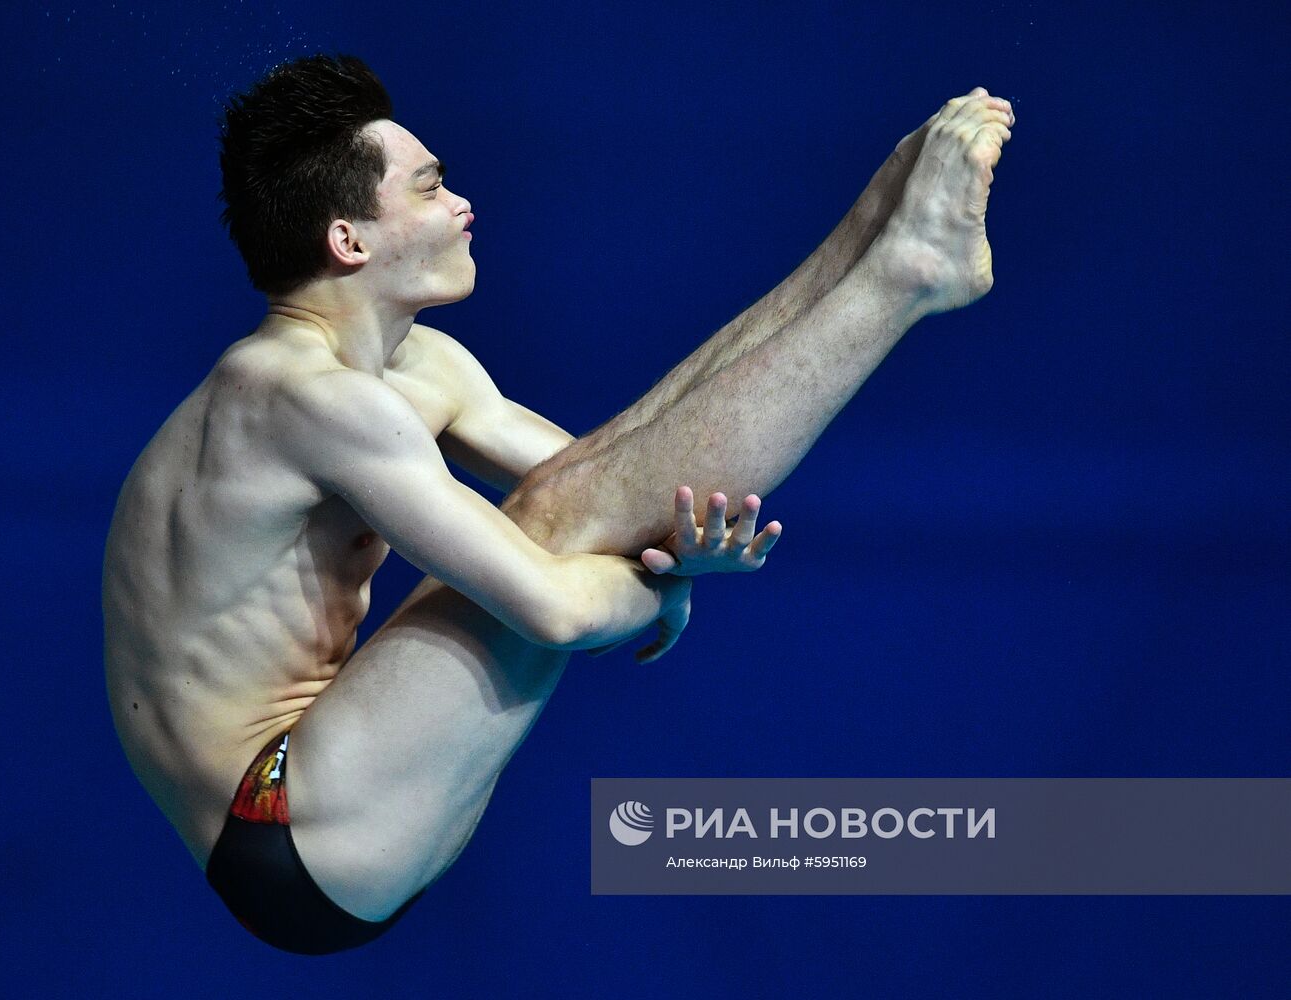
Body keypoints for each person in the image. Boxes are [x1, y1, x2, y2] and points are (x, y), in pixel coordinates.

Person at [102, 54, 1014, 954]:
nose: (463, 205)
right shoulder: (301, 398)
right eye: (428, 189)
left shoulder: (419, 365)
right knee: (548, 528)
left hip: (346, 778)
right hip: (286, 828)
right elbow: (555, 607)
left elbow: (624, 477)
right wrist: (663, 587)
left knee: (577, 486)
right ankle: (903, 274)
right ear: (350, 242)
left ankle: (874, 240)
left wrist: (664, 548)